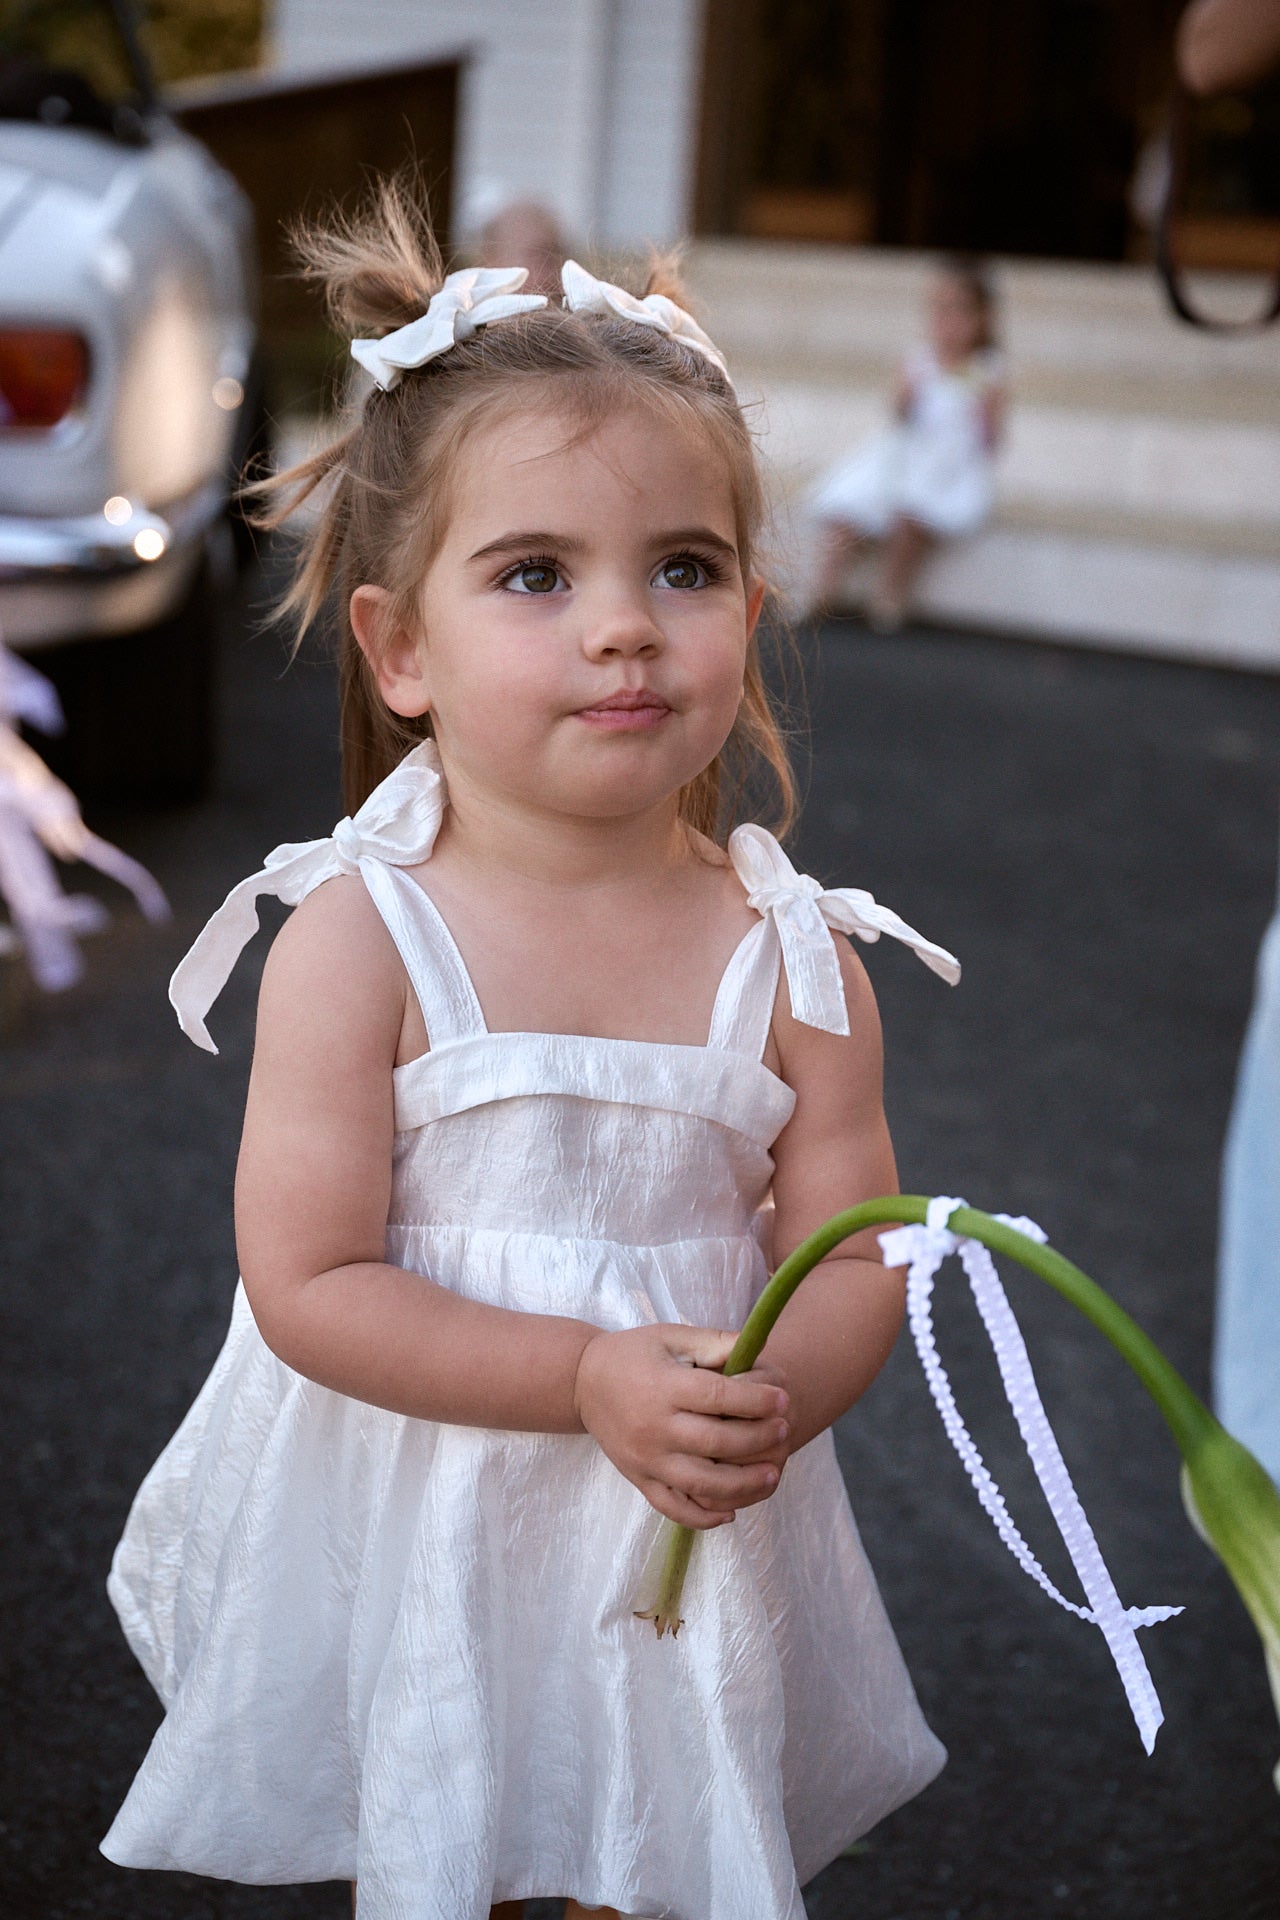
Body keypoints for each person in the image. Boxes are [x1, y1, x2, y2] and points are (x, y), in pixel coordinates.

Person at [100, 182, 961, 1920]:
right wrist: (581, 1376)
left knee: (641, 1854)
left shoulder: (798, 962)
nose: (624, 623)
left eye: (685, 568)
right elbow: (312, 1280)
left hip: (685, 1518)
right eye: (534, 574)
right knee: (462, 1823)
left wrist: (774, 1391)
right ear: (399, 646)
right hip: (432, 1510)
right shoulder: (360, 941)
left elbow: (858, 1251)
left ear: (749, 601)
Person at [807, 257, 1005, 630]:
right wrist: (907, 396)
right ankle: (823, 591)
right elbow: (898, 415)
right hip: (903, 457)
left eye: (959, 313)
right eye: (940, 311)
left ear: (982, 319)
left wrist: (984, 419)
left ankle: (891, 594)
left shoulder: (988, 370)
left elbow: (992, 439)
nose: (947, 322)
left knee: (911, 517)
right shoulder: (918, 360)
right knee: (848, 510)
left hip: (949, 465)